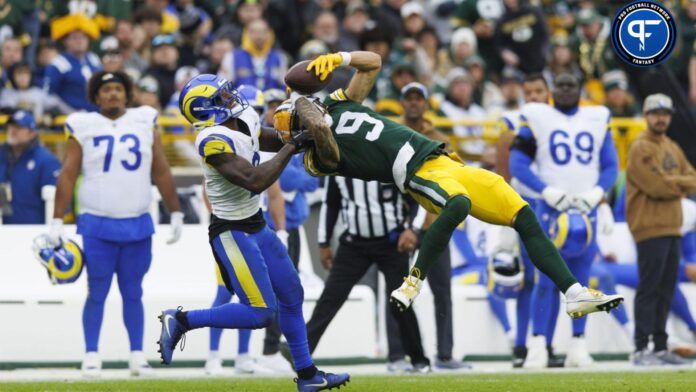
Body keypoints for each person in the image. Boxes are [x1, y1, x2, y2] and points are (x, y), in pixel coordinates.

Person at [280, 50, 622, 321]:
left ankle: (573, 293)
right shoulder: (316, 156)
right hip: (416, 173)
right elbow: (322, 135)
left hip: (447, 161)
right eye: (300, 115)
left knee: (522, 213)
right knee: (457, 205)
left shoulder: (339, 103)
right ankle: (412, 282)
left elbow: (374, 64)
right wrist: (302, 102)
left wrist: (341, 59)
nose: (308, 110)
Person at [158, 74, 349, 391]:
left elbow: (266, 138)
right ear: (206, 110)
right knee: (260, 313)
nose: (232, 99)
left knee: (292, 294)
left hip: (256, 224)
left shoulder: (241, 120)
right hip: (232, 232)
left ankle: (308, 376)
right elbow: (255, 179)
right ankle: (181, 320)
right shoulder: (211, 140)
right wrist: (293, 146)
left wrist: (308, 129)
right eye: (222, 97)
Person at [46, 71, 184, 377]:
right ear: (95, 96)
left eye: (118, 89)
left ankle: (136, 354)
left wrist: (175, 211)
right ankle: (91, 353)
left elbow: (160, 169)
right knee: (97, 291)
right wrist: (57, 218)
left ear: (127, 93)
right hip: (97, 223)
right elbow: (68, 173)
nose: (112, 94)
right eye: (106, 90)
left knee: (134, 292)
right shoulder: (82, 124)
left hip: (137, 222)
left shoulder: (145, 119)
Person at [509, 73, 619, 368]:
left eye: (571, 85)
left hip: (586, 209)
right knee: (545, 278)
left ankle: (578, 343)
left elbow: (610, 164)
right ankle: (538, 344)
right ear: (552, 89)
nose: (566, 89)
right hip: (550, 209)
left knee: (582, 279)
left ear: (580, 89)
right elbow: (516, 163)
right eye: (561, 84)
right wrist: (546, 190)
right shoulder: (537, 115)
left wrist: (598, 192)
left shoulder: (596, 117)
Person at [305, 174, 431, 373]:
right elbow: (331, 204)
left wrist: (412, 230)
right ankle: (301, 354)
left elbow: (418, 198)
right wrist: (323, 242)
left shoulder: (388, 159)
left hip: (392, 242)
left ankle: (418, 359)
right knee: (330, 298)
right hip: (354, 243)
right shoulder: (339, 165)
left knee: (401, 301)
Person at [398, 82, 468, 370]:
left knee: (442, 291)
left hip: (435, 223)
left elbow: (455, 174)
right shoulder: (394, 133)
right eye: (409, 98)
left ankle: (445, 354)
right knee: (399, 289)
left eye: (419, 98)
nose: (414, 103)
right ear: (403, 103)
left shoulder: (440, 139)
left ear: (426, 104)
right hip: (402, 223)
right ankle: (400, 355)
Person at [627, 93, 696, 366]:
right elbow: (655, 186)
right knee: (650, 288)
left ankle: (660, 345)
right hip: (648, 226)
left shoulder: (671, 146)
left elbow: (693, 179)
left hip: (672, 226)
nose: (661, 118)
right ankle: (641, 348)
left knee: (666, 288)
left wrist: (672, 179)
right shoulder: (640, 147)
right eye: (655, 113)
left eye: (665, 113)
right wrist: (677, 183)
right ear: (646, 115)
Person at [496, 73, 553, 368]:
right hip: (524, 202)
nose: (533, 97)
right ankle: (522, 343)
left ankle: (546, 340)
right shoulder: (512, 121)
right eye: (528, 92)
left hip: (555, 204)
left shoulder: (560, 120)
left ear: (547, 93)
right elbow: (504, 168)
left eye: (538, 91)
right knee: (528, 277)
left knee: (553, 276)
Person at [0, 110, 60, 224]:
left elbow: (58, 199)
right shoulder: (2, 156)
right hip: (3, 229)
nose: (13, 130)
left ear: (32, 133)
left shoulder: (47, 161)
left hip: (33, 230)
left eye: (19, 127)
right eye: (11, 126)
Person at [45, 14, 102, 111]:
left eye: (83, 37)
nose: (79, 41)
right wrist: (69, 112)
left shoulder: (94, 59)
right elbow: (49, 94)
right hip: (70, 116)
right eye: (75, 38)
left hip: (96, 115)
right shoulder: (59, 63)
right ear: (66, 41)